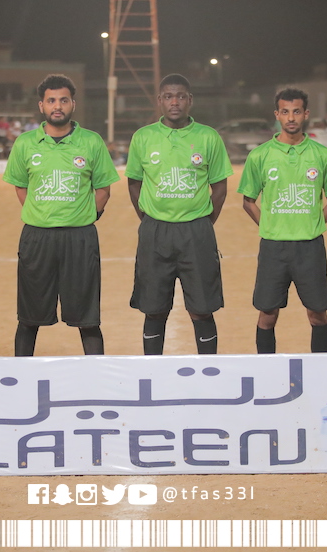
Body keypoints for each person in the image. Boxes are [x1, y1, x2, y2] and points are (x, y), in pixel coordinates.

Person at [3, 74, 119, 356]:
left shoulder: (91, 142)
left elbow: (103, 189)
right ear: (41, 105)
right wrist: (40, 213)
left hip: (80, 238)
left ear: (73, 104)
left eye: (63, 100)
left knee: (88, 319)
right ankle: (22, 375)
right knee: (28, 318)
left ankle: (97, 375)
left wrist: (84, 216)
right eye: (51, 100)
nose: (58, 106)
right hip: (37, 237)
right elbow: (20, 186)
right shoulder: (25, 143)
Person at [126, 73, 233, 355]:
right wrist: (148, 219)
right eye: (169, 96)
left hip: (196, 231)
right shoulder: (143, 137)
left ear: (190, 100)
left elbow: (220, 188)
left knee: (202, 309)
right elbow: (134, 183)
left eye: (181, 96)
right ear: (160, 101)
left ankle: (209, 369)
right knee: (154, 309)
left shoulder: (208, 137)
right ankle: (153, 370)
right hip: (155, 231)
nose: (175, 102)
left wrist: (203, 222)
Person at [238, 88, 327, 354]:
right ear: (277, 115)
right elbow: (248, 201)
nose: (291, 117)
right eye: (285, 112)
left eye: (296, 111)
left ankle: (319, 369)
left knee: (317, 314)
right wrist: (268, 225)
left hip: (310, 247)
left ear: (306, 114)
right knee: (267, 314)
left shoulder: (323, 155)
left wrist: (313, 224)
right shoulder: (260, 155)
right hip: (274, 247)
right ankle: (266, 369)